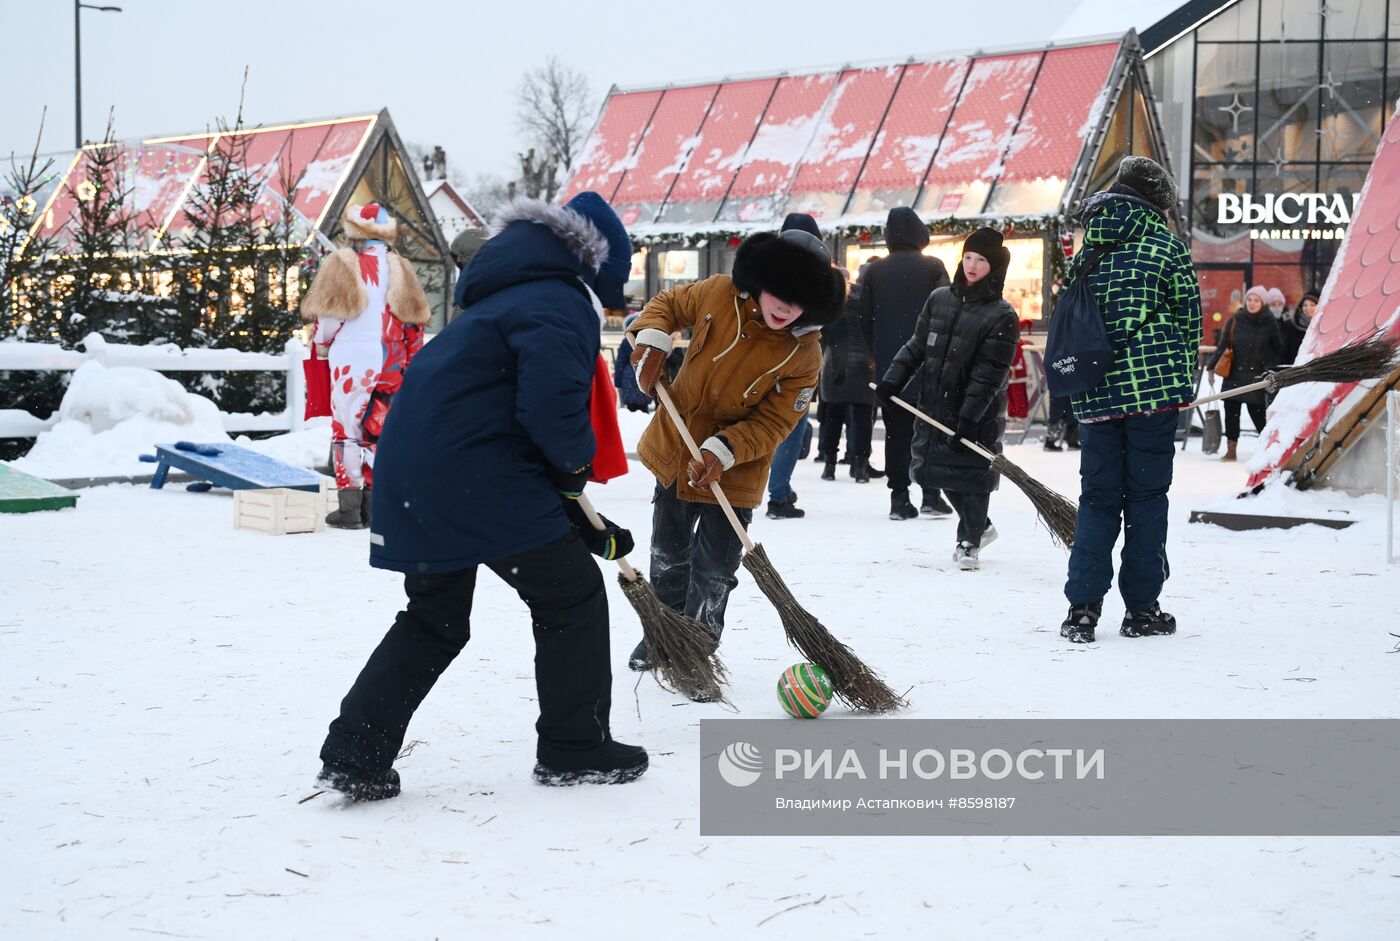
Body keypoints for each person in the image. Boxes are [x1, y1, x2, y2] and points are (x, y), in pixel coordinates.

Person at [315, 192, 648, 799]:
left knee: (435, 617)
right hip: (475, 475)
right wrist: (572, 473)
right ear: (596, 270)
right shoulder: (560, 302)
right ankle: (575, 747)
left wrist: (577, 515)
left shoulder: (503, 300)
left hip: (419, 471)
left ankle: (355, 752)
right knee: (569, 596)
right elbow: (549, 411)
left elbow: (507, 416)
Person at [625, 226, 844, 672]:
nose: (785, 306)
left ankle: (697, 648)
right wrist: (651, 338)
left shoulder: (804, 352)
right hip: (677, 447)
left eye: (799, 299)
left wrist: (724, 450)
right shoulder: (718, 293)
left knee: (714, 571)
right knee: (668, 557)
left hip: (735, 469)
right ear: (760, 281)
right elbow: (666, 305)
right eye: (779, 291)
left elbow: (778, 420)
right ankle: (661, 634)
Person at [1058, 156, 1201, 644]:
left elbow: (1072, 317)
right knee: (1146, 499)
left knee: (1097, 498)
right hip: (1152, 396)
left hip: (1095, 394)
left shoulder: (1088, 248)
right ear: (1156, 202)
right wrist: (1183, 383)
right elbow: (1188, 322)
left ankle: (1082, 609)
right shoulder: (1166, 247)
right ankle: (1142, 610)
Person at [876, 227, 1019, 572]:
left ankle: (969, 541)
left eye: (981, 260)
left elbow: (989, 374)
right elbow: (917, 345)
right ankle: (981, 526)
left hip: (975, 410)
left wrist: (970, 416)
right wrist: (893, 379)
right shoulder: (940, 299)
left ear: (994, 268)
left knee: (971, 475)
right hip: (934, 402)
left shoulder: (1002, 315)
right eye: (968, 256)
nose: (971, 265)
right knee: (929, 470)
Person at [301, 203, 430, 530]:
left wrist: (321, 343)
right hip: (391, 357)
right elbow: (414, 325)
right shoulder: (401, 268)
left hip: (351, 359)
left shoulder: (342, 264)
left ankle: (349, 508)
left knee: (347, 429)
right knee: (378, 429)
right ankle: (373, 507)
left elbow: (328, 320)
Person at [858, 207, 953, 520]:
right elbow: (948, 311)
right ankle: (930, 493)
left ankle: (899, 496)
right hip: (928, 362)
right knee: (930, 429)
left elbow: (863, 319)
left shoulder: (872, 271)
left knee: (895, 432)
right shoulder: (933, 267)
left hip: (889, 365)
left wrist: (880, 350)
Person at [764, 213, 832, 520]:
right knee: (791, 428)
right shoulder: (817, 277)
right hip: (795, 363)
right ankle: (778, 496)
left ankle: (742, 488)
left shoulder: (766, 269)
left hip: (759, 361)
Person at [1207, 285, 1284, 462]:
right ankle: (1231, 450)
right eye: (1249, 299)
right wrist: (1211, 367)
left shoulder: (1269, 322)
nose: (1252, 303)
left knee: (1258, 415)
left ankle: (1270, 450)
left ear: (1262, 303)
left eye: (1256, 300)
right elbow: (1223, 346)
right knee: (1231, 414)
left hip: (1255, 376)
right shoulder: (1235, 319)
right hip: (1233, 373)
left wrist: (1268, 367)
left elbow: (1278, 349)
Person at [817, 265, 877, 484]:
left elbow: (825, 335)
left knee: (833, 416)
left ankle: (829, 464)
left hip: (835, 364)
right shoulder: (871, 302)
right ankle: (860, 466)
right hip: (866, 365)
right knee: (863, 419)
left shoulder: (834, 301)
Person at [1280, 292, 1317, 365]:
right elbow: (1286, 352)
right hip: (1296, 371)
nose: (1308, 308)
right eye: (1305, 305)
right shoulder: (1294, 327)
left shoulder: (1322, 328)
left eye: (1312, 305)